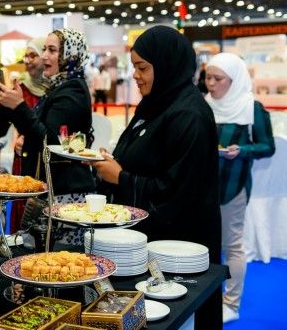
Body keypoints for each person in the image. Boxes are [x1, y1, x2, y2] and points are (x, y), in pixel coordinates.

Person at [90, 25, 222, 329]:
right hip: (149, 243)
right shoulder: (156, 104)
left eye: (142, 67)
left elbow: (179, 192)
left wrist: (121, 177)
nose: (135, 75)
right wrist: (115, 163)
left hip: (178, 249)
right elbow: (147, 158)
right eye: (134, 67)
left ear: (166, 66)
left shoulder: (189, 115)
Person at [0, 28, 96, 243]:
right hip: (51, 189)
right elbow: (37, 132)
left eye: (52, 50)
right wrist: (8, 110)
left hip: (65, 195)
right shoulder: (57, 87)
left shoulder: (73, 90)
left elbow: (50, 141)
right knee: (39, 254)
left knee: (61, 259)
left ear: (70, 56)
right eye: (44, 49)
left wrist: (20, 107)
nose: (45, 56)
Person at [204, 52, 275, 323]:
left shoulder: (251, 107)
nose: (211, 83)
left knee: (232, 245)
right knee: (207, 244)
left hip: (233, 185)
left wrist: (242, 150)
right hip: (204, 186)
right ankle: (207, 299)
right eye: (208, 77)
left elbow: (268, 146)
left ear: (235, 80)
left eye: (218, 78)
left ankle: (231, 304)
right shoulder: (205, 104)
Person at [9, 37, 47, 231]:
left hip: (45, 156)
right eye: (26, 56)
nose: (28, 60)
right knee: (22, 200)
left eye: (34, 55)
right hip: (23, 154)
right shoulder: (21, 88)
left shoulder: (55, 89)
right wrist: (17, 139)